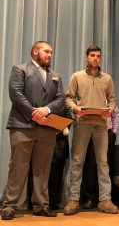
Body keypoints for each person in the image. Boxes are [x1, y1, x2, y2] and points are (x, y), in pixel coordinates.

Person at [1, 41, 65, 220]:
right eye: (46, 51)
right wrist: (33, 113)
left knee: (42, 168)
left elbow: (61, 99)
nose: (50, 55)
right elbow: (15, 93)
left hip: (46, 128)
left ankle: (40, 205)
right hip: (22, 126)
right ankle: (10, 205)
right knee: (18, 167)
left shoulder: (55, 76)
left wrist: (46, 110)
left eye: (51, 52)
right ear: (35, 51)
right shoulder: (20, 69)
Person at [64, 45, 118, 215]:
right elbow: (68, 98)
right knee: (77, 162)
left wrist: (110, 109)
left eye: (98, 56)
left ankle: (105, 200)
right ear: (87, 57)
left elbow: (112, 100)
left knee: (103, 163)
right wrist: (75, 109)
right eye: (92, 55)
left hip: (101, 125)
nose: (96, 58)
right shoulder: (77, 77)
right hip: (82, 123)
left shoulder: (107, 79)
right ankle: (73, 200)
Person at [80, 106, 119, 209]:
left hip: (107, 134)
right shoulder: (89, 100)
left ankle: (105, 198)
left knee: (106, 166)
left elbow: (116, 115)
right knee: (90, 168)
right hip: (90, 133)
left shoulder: (110, 101)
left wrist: (114, 132)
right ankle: (90, 198)